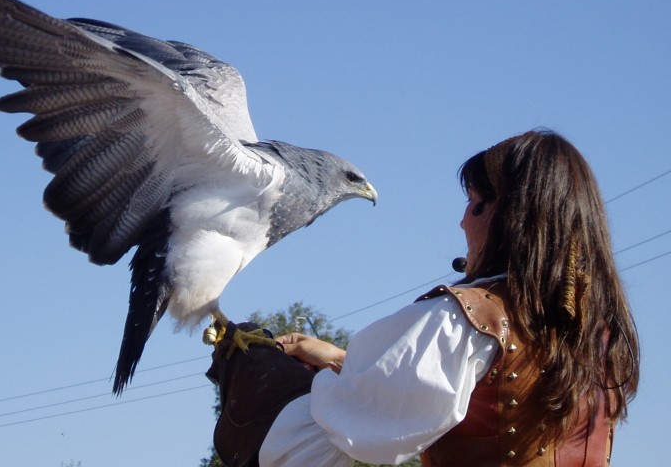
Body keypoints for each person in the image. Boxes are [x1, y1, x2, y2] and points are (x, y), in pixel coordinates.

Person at [207, 130, 640, 467]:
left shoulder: (466, 320)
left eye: (472, 203)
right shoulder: (603, 335)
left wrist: (262, 372)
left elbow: (301, 448)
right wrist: (340, 361)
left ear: (506, 216)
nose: (461, 223)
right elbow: (449, 390)